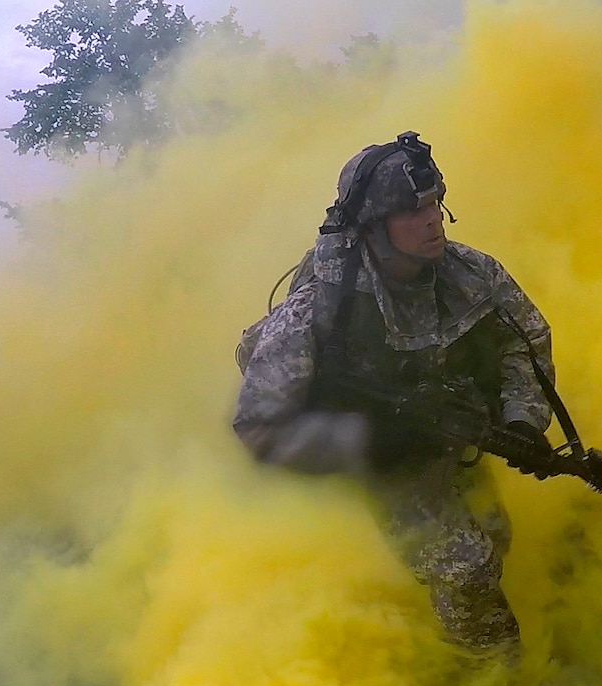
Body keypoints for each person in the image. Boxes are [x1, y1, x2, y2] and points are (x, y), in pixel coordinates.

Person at [232, 131, 554, 658]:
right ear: (372, 226)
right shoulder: (323, 307)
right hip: (374, 450)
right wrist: (362, 445)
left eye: (433, 204)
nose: (431, 220)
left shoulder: (470, 274)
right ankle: (486, 682)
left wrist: (521, 421)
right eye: (410, 211)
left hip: (449, 425)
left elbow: (527, 341)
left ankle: (428, 622)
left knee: (494, 540)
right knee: (466, 567)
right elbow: (259, 423)